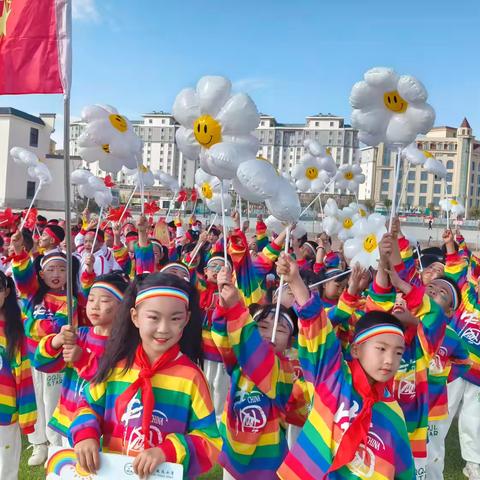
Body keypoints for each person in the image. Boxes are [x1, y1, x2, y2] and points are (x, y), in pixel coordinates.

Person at [276, 252, 414, 479]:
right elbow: (317, 329)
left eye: (398, 352)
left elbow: (403, 470)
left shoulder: (392, 411)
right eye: (381, 349)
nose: (390, 359)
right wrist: (295, 281)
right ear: (357, 349)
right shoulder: (334, 378)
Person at [71, 273, 221, 478]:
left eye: (175, 318)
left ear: (186, 319)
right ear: (135, 317)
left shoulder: (191, 377)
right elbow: (87, 406)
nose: (163, 329)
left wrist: (166, 451)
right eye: (153, 317)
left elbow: (209, 439)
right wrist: (85, 435)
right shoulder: (116, 366)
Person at [212, 267, 306, 479]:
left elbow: (260, 359)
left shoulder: (285, 370)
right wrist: (224, 306)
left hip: (268, 454)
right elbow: (223, 338)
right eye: (261, 327)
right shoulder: (241, 359)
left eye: (280, 330)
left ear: (291, 342)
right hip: (234, 446)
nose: (269, 334)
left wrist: (237, 309)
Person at [33, 264, 130, 444]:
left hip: (102, 427)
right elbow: (42, 364)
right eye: (91, 299)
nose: (94, 306)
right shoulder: (80, 335)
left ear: (123, 306)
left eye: (105, 301)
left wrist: (82, 359)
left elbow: (112, 383)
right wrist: (56, 341)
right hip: (69, 419)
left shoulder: (125, 345)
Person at [10, 228, 79, 465]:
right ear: (41, 273)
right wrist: (19, 251)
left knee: (53, 401)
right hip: (29, 359)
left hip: (55, 363)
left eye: (62, 269)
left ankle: (56, 445)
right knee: (34, 400)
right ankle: (37, 443)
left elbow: (58, 327)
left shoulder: (70, 300)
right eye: (51, 269)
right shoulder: (32, 294)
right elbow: (22, 278)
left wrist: (32, 325)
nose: (56, 274)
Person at [0, 271, 37, 480]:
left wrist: (27, 414)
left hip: (5, 411)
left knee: (5, 468)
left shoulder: (15, 329)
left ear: (5, 292)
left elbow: (23, 375)